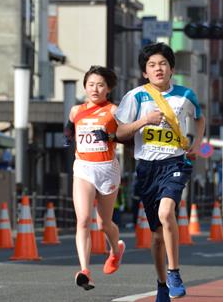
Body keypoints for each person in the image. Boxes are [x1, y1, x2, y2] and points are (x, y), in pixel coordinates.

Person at [114, 42, 205, 301]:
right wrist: (144, 121)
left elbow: (200, 118)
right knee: (156, 236)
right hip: (146, 168)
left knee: (167, 212)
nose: (158, 69)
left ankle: (174, 271)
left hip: (175, 163)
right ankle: (162, 284)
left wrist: (196, 144)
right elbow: (119, 132)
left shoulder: (186, 95)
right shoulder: (134, 96)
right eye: (152, 65)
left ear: (172, 69)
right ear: (145, 72)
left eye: (163, 64)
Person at [64, 66, 125, 291]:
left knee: (104, 223)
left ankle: (115, 251)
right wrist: (69, 139)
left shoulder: (115, 111)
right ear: (85, 87)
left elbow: (126, 135)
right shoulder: (75, 110)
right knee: (82, 220)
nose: (95, 89)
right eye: (91, 84)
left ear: (108, 88)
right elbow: (71, 127)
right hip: (83, 168)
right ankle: (85, 270)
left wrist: (110, 136)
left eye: (100, 85)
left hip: (107, 169)